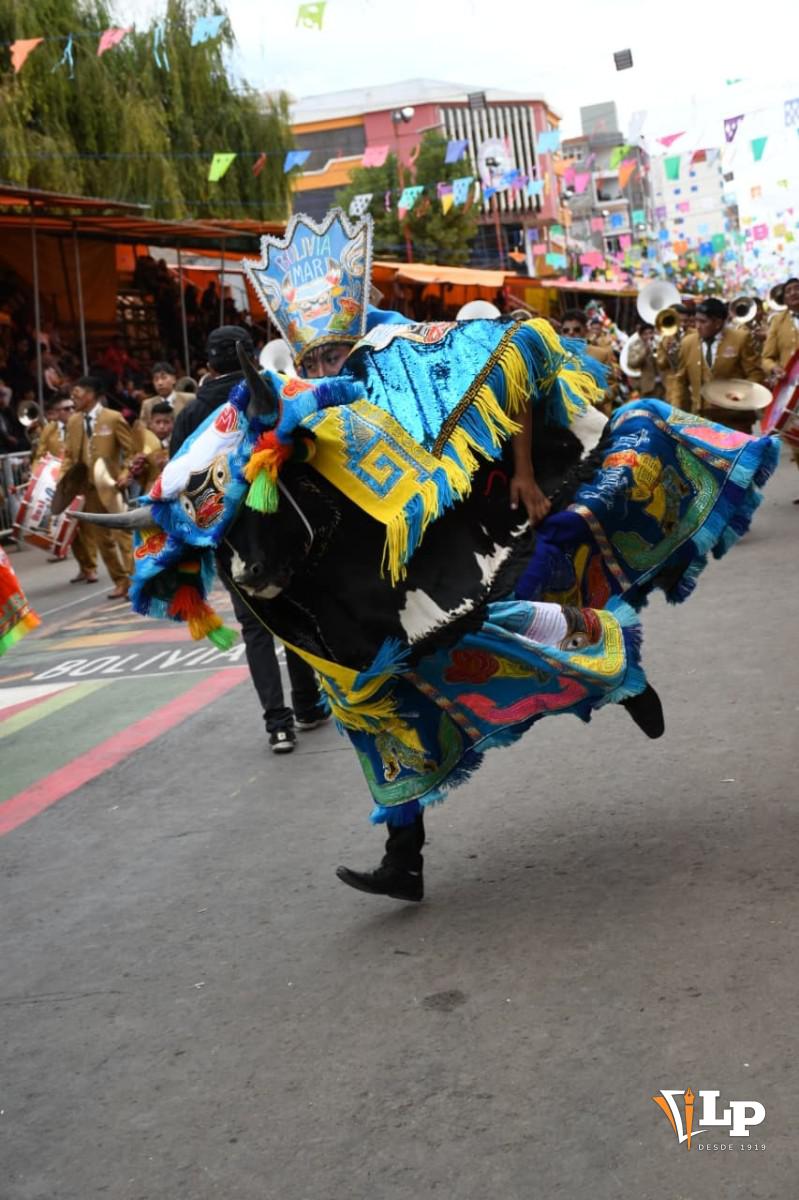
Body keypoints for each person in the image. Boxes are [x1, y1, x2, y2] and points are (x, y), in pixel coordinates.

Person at [88, 209, 779, 904]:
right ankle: (404, 855)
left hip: (443, 539)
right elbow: (217, 494)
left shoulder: (400, 355)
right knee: (369, 709)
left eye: (334, 353)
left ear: (353, 336)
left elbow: (520, 352)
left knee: (489, 624)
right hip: (347, 580)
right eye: (316, 359)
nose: (328, 367)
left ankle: (612, 666)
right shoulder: (282, 416)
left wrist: (525, 474)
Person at [171, 325, 330, 754]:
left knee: (255, 629)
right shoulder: (266, 393)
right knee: (291, 612)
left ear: (207, 364)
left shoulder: (188, 414)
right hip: (274, 526)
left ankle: (278, 725)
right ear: (250, 354)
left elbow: (180, 482)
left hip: (228, 540)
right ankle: (308, 704)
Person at [61, 376, 133, 597]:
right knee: (102, 540)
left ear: (91, 394)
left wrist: (124, 473)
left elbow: (131, 452)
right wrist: (63, 481)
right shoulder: (72, 422)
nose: (73, 397)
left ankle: (136, 581)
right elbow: (69, 456)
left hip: (112, 487)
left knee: (123, 536)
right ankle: (120, 581)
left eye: (77, 392)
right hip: (88, 490)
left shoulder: (113, 418)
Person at [674, 297, 764, 433]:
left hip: (735, 421)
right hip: (700, 420)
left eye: (703, 321)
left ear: (718, 322)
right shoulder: (687, 343)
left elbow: (755, 374)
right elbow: (680, 382)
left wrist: (741, 395)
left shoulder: (740, 338)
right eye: (696, 320)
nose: (697, 326)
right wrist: (677, 415)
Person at [761, 277, 799, 500]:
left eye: (797, 289)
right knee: (796, 442)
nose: (794, 293)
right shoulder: (777, 322)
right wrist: (774, 368)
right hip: (791, 393)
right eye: (790, 291)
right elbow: (767, 357)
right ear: (784, 298)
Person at [623, 323, 664, 399]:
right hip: (648, 387)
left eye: (650, 333)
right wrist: (645, 352)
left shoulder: (659, 342)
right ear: (641, 336)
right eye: (645, 334)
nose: (649, 336)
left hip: (663, 384)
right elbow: (632, 364)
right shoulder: (634, 346)